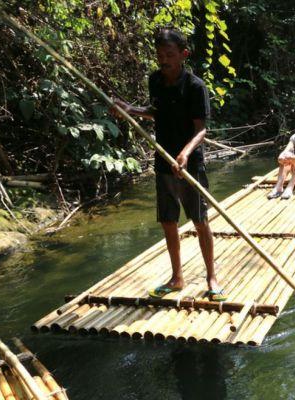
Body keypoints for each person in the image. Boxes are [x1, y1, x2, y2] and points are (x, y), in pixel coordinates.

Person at [110, 28, 225, 301]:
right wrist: (130, 109)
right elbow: (155, 112)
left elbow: (201, 130)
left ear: (183, 55)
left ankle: (212, 276)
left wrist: (185, 154)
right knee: (168, 222)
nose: (164, 60)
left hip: (189, 164)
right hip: (163, 162)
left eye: (170, 55)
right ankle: (177, 278)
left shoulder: (195, 86)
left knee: (199, 220)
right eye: (160, 55)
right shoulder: (156, 81)